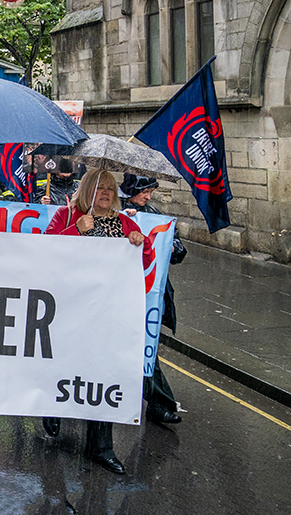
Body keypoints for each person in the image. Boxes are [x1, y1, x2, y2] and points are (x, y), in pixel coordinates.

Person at [43, 168, 149, 475]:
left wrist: (139, 243)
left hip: (109, 311)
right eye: (100, 188)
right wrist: (76, 229)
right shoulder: (66, 216)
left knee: (103, 374)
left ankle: (101, 447)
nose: (106, 194)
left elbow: (143, 260)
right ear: (88, 189)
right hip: (70, 307)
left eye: (110, 189)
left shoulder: (125, 222)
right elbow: (46, 251)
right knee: (65, 365)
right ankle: (52, 409)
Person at [120, 173, 185, 426]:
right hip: (122, 291)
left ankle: (160, 404)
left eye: (150, 192)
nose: (147, 196)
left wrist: (173, 248)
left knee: (145, 348)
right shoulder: (116, 210)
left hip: (149, 292)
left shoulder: (154, 213)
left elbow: (178, 249)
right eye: (143, 191)